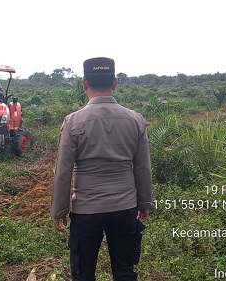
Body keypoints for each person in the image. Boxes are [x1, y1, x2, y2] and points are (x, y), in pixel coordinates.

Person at [51, 57, 153, 281]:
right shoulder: (136, 120)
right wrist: (144, 203)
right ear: (115, 83)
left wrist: (59, 210)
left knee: (83, 274)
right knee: (125, 272)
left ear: (84, 83)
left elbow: (63, 172)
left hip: (86, 211)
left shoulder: (72, 122)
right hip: (126, 208)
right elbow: (143, 168)